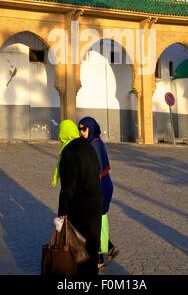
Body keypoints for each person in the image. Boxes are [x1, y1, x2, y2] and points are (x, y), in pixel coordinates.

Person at [52, 119, 103, 277]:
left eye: (60, 134)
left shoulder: (69, 152)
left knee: (78, 243)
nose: (59, 138)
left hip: (80, 205)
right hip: (95, 201)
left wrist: (62, 211)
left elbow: (68, 187)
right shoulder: (88, 146)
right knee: (92, 243)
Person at [78, 116, 119, 270]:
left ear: (91, 128)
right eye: (79, 129)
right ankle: (107, 249)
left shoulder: (94, 146)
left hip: (100, 187)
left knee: (95, 223)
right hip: (103, 185)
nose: (81, 132)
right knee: (98, 221)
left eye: (84, 129)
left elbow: (95, 172)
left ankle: (99, 259)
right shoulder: (96, 142)